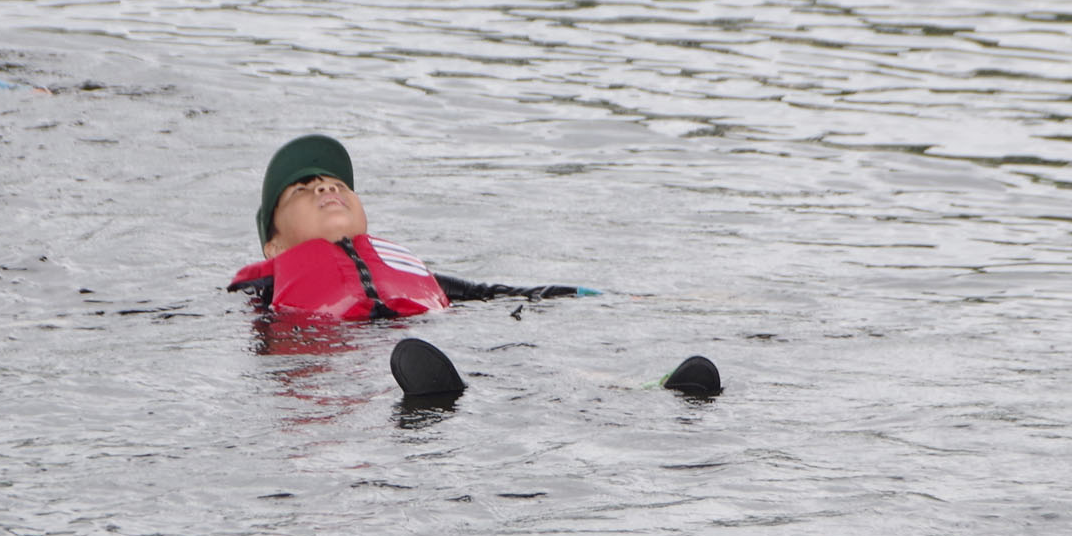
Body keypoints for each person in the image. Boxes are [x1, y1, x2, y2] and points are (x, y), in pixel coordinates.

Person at [227, 134, 720, 402]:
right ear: (273, 243)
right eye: (301, 188)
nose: (324, 188)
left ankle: (643, 390)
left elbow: (503, 292)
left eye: (336, 183)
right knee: (394, 370)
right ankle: (430, 393)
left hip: (435, 342)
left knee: (527, 363)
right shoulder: (267, 286)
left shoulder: (415, 275)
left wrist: (605, 296)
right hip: (343, 362)